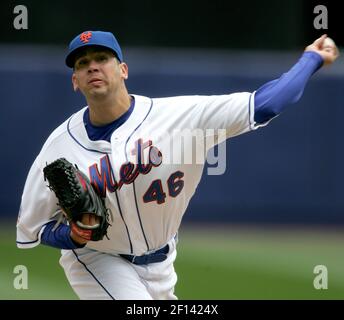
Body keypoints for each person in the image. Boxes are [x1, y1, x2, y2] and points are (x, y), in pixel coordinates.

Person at [16, 30, 339, 300]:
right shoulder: (59, 147)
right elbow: (33, 227)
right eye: (83, 64)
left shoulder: (181, 117)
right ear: (75, 81)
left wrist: (311, 58)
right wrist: (71, 237)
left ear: (123, 70)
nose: (93, 67)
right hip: (98, 259)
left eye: (102, 59)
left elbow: (267, 103)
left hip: (162, 260)